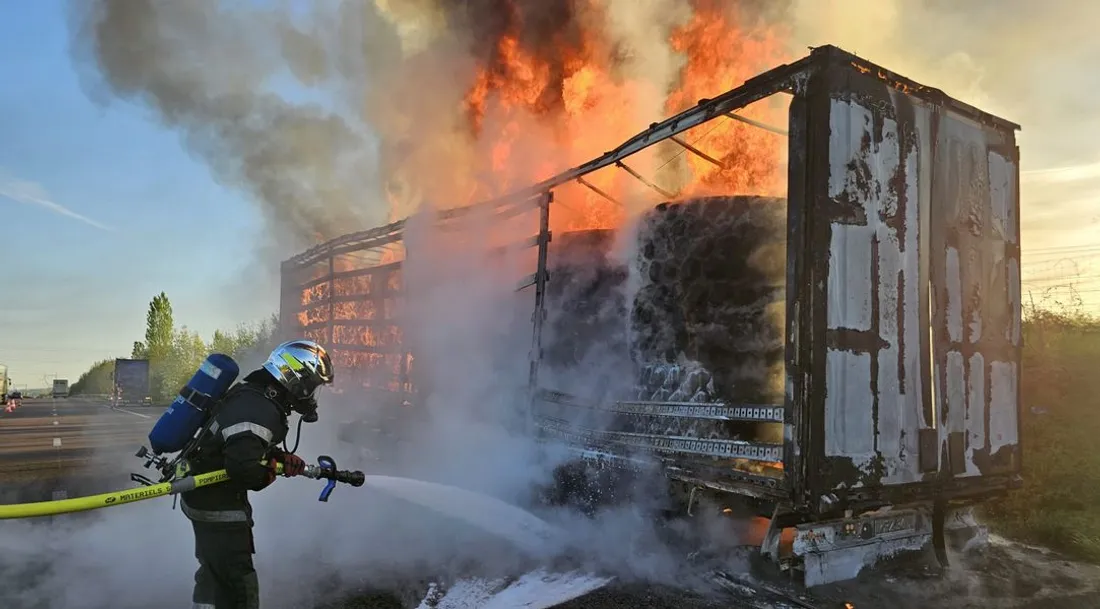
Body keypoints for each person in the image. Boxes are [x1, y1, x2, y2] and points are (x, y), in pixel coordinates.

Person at [179, 339, 335, 609]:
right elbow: (243, 469)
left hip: (201, 496)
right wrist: (266, 474)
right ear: (296, 377)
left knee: (214, 572)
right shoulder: (259, 407)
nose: (310, 396)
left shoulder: (253, 395)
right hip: (219, 505)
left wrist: (276, 457)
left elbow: (238, 443)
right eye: (312, 387)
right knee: (238, 585)